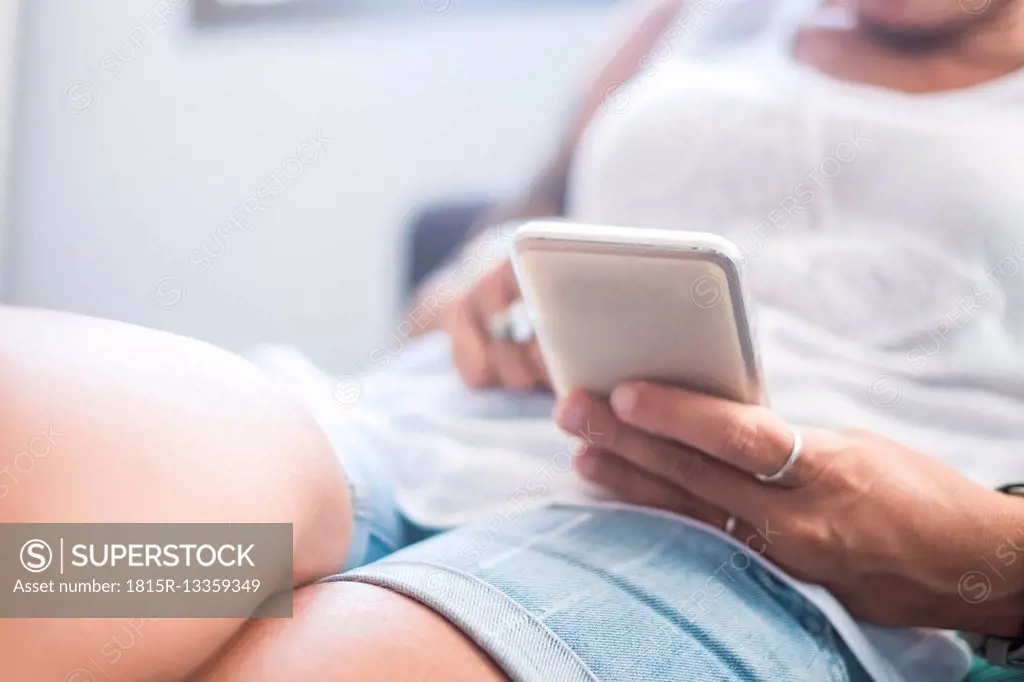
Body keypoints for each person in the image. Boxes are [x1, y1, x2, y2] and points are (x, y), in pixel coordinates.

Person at [4, 0, 1024, 679]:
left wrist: (985, 559)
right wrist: (476, 293)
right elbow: (470, 268)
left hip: (731, 557)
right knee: (48, 561)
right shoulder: (705, 16)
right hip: (403, 445)